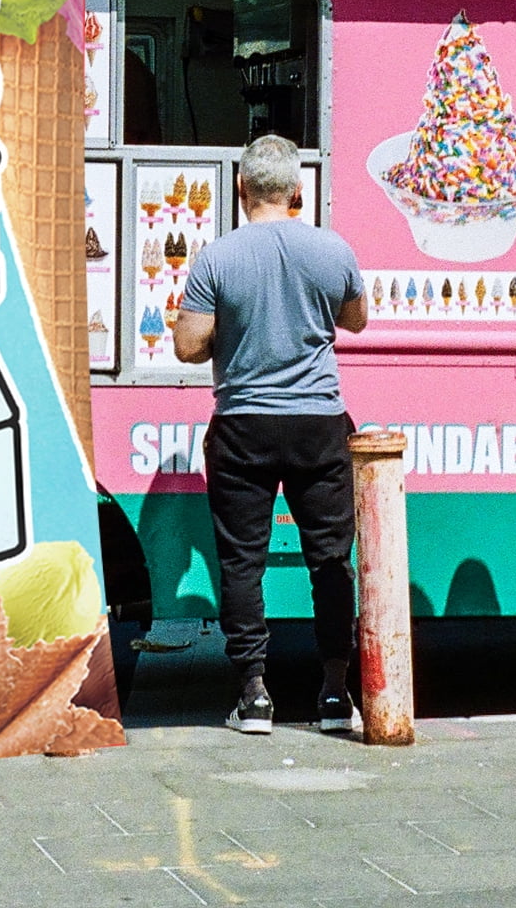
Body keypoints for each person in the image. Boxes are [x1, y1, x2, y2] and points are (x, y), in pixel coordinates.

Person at [172, 134, 368, 736]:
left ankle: (254, 695)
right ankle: (334, 694)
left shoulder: (215, 258)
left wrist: (231, 324)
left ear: (240, 190)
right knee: (330, 560)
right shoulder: (330, 249)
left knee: (241, 563)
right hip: (318, 424)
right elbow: (355, 320)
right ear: (298, 193)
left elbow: (187, 346)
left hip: (242, 427)